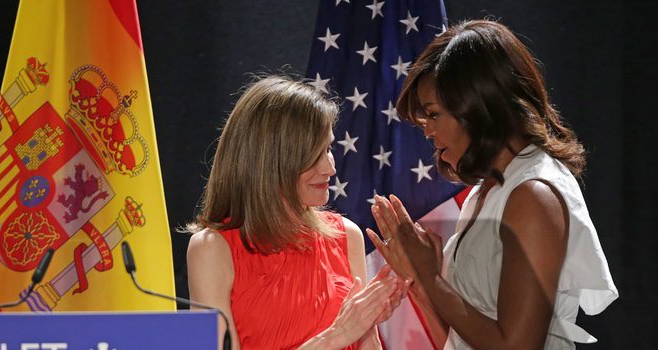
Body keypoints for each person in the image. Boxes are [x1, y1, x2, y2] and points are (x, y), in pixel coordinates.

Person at [365, 20, 618, 349]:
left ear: (478, 107)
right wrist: (421, 281)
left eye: (434, 114)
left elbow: (516, 346)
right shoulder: (490, 190)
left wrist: (432, 276)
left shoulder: (533, 193)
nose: (427, 131)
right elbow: (461, 339)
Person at [186, 75, 409, 350]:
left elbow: (365, 344)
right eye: (313, 155)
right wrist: (336, 336)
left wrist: (367, 324)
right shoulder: (212, 250)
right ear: (269, 161)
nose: (330, 168)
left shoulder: (347, 235)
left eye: (328, 148)